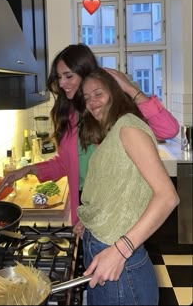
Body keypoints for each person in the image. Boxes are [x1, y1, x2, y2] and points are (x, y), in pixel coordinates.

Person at [3, 43, 179, 225]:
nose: (62, 83)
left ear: (86, 74)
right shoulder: (69, 115)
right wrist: (30, 169)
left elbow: (168, 129)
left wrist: (129, 88)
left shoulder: (111, 111)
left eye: (68, 76)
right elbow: (68, 163)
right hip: (87, 206)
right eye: (59, 77)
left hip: (118, 210)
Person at [76, 68, 180, 305]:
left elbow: (168, 197)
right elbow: (116, 190)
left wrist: (121, 250)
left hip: (121, 265)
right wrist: (93, 219)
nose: (92, 102)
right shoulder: (111, 132)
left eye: (98, 94)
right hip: (105, 254)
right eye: (87, 97)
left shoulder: (129, 127)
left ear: (114, 93)